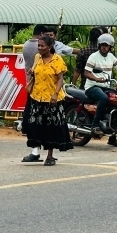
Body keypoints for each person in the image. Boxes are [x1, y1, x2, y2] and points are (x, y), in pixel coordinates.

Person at [23, 34, 72, 166]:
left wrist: (55, 94)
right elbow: (34, 71)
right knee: (36, 126)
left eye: (42, 46)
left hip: (52, 99)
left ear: (49, 47)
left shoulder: (57, 60)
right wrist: (31, 73)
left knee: (51, 128)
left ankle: (50, 156)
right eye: (38, 45)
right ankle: (36, 150)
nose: (39, 48)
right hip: (37, 97)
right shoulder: (37, 57)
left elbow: (60, 79)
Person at [83, 33, 117, 147]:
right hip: (92, 87)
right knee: (103, 98)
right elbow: (86, 72)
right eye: (102, 45)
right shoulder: (93, 57)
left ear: (110, 47)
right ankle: (95, 125)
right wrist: (96, 79)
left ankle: (112, 137)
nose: (104, 47)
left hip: (106, 86)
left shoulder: (111, 57)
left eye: (106, 45)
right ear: (99, 45)